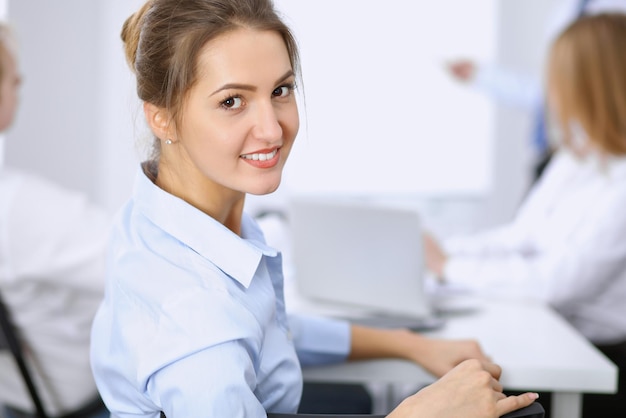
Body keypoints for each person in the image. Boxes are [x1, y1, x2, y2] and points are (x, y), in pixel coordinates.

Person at [88, 1, 539, 417]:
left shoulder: (162, 213)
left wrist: (409, 345)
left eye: (281, 90)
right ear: (161, 117)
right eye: (232, 101)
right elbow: (216, 332)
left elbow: (262, 328)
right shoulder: (198, 334)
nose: (271, 128)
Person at [426, 12, 626, 417]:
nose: (551, 91)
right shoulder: (578, 156)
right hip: (557, 335)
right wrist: (443, 251)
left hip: (598, 361)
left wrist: (450, 268)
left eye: (559, 78)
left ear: (591, 85)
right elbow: (522, 236)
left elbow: (555, 281)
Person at [0, 22, 111, 418]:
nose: (20, 87)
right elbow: (145, 263)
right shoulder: (19, 208)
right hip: (81, 407)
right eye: (14, 79)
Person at [446, 0, 626, 180]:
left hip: (593, 150)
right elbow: (546, 92)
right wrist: (482, 76)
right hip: (557, 152)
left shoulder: (612, 19)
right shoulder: (565, 10)